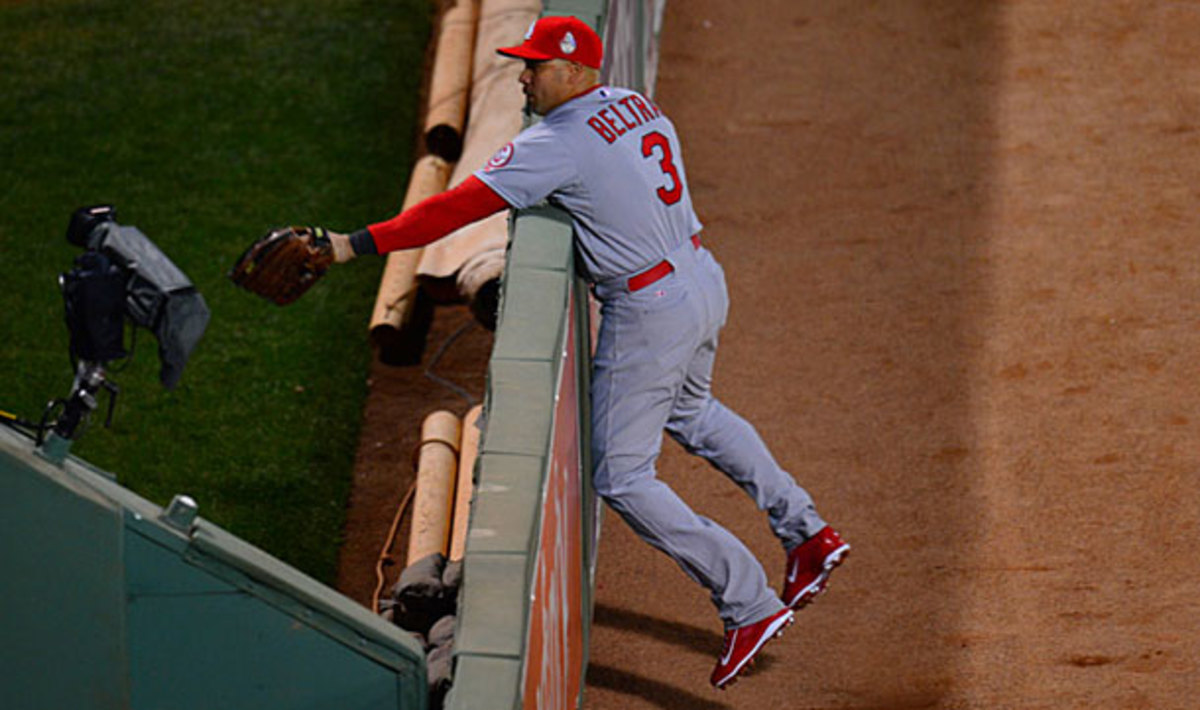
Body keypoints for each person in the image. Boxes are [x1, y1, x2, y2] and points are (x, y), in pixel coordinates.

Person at [327, 15, 849, 689]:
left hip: (650, 309)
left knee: (624, 477)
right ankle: (807, 533)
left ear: (575, 73)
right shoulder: (633, 104)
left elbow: (448, 211)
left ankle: (747, 603)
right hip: (700, 277)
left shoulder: (555, 141)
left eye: (536, 66)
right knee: (694, 414)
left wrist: (352, 244)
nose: (523, 76)